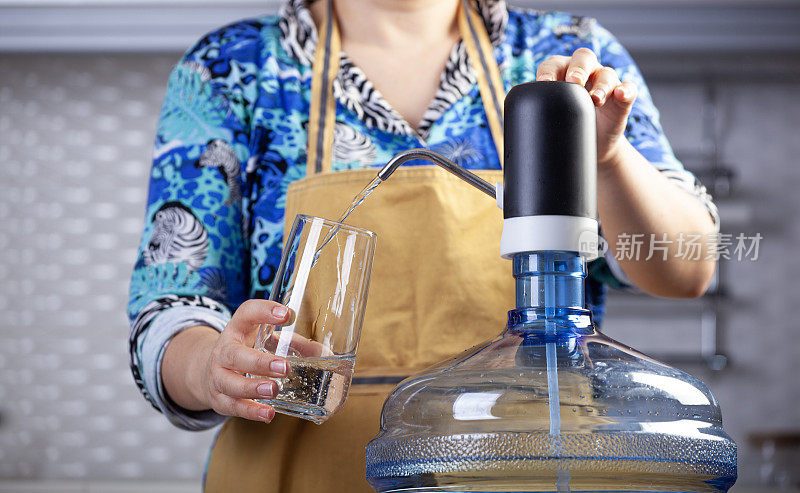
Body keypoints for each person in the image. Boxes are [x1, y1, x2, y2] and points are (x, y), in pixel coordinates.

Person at [128, 0, 719, 490]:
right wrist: (211, 366)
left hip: (522, 469)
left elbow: (687, 267)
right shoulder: (230, 70)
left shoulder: (564, 55)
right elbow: (169, 308)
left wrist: (608, 160)